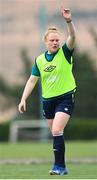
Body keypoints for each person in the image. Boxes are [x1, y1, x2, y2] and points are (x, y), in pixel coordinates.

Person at [18, 7, 76, 175]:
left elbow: (73, 37)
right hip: (48, 101)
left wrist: (68, 20)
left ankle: (59, 167)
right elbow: (31, 80)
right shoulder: (40, 60)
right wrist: (23, 99)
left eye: (57, 40)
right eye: (52, 40)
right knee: (56, 133)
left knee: (57, 130)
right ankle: (62, 167)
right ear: (46, 42)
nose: (55, 42)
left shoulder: (65, 53)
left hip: (65, 97)